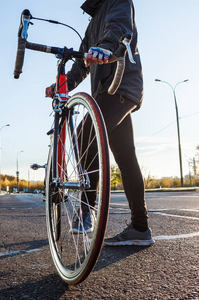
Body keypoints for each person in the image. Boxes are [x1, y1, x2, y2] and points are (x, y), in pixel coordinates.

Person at [45, 0, 154, 246]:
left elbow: (118, 27)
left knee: (85, 133)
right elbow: (81, 65)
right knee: (127, 159)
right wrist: (61, 86)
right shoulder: (92, 22)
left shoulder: (118, 1)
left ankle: (87, 209)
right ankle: (140, 228)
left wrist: (105, 47)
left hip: (121, 85)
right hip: (107, 93)